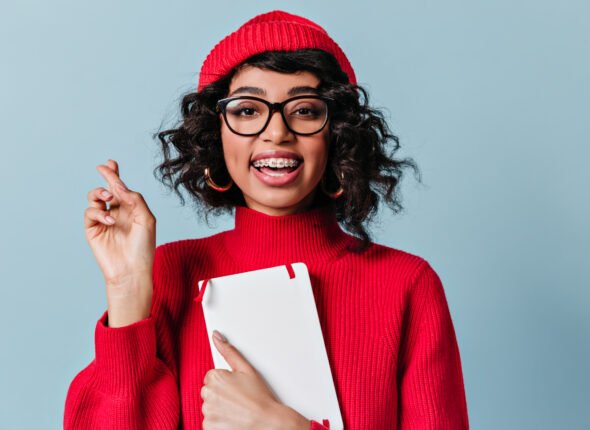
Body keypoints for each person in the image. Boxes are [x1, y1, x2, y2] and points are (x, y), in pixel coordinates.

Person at [63, 9, 469, 430]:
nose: (276, 132)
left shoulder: (407, 284)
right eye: (247, 110)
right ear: (214, 134)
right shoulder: (170, 273)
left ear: (338, 134)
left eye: (305, 110)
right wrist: (127, 291)